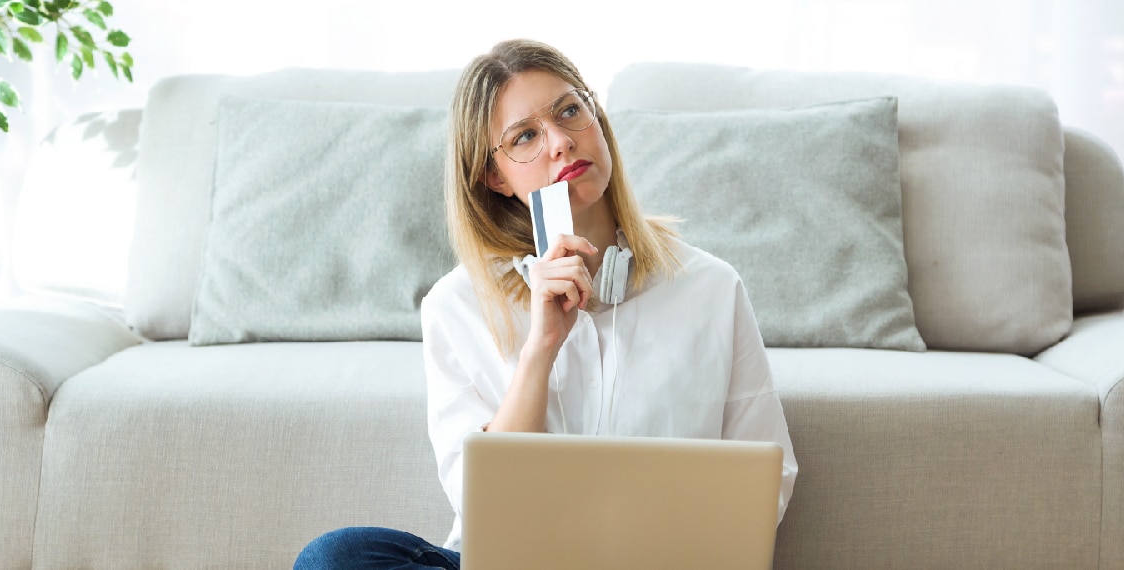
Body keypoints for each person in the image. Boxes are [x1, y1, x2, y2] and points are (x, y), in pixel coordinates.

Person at [294, 38, 798, 569]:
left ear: (596, 119)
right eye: (525, 136)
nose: (559, 142)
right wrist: (540, 349)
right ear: (496, 177)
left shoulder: (711, 287)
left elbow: (771, 479)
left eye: (569, 112)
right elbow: (482, 504)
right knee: (335, 558)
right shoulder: (455, 305)